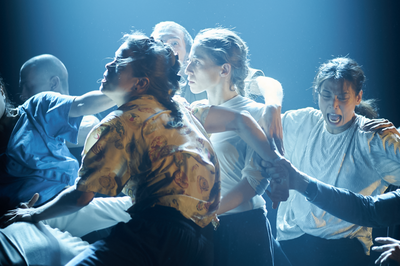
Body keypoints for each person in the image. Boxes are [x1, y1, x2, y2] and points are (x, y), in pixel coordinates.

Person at [0, 32, 281, 266]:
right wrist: (279, 163)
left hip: (161, 233)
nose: (109, 65)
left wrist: (33, 214)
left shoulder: (122, 124)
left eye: (120, 63)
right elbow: (240, 121)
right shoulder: (182, 107)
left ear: (141, 82)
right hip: (202, 241)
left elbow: (81, 197)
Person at [272, 57, 400, 266]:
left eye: (343, 97)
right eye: (327, 95)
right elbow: (251, 129)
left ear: (358, 97)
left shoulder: (374, 137)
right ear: (317, 95)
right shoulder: (302, 121)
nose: (334, 105)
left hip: (343, 249)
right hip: (294, 242)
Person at [185, 27, 291, 266]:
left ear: (224, 69)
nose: (187, 69)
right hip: (202, 224)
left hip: (243, 227)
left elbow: (255, 182)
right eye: (189, 60)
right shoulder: (196, 111)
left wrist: (203, 213)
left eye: (197, 61)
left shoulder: (254, 112)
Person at [151, 21, 285, 155]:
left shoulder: (203, 73)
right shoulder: (147, 87)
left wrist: (273, 106)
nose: (166, 48)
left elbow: (263, 82)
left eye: (174, 43)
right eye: (159, 42)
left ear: (187, 53)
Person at [19, 54, 101, 162]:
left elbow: (91, 129)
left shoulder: (90, 119)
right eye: (21, 88)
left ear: (54, 83)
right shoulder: (23, 120)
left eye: (29, 87)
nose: (22, 94)